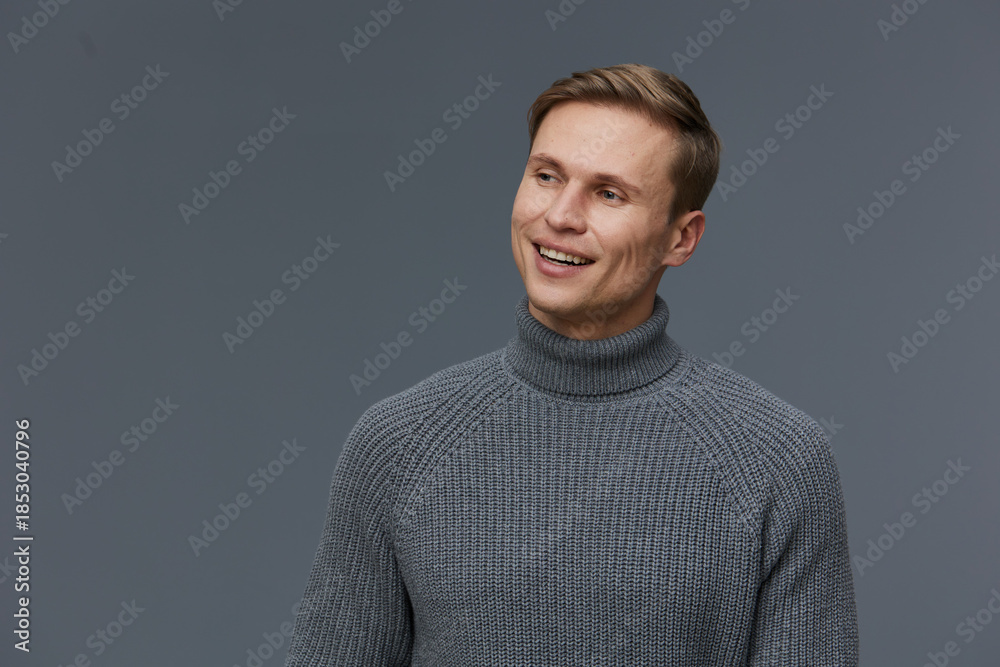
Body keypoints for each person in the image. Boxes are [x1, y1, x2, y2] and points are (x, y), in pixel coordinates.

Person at [283, 63, 859, 665]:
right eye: (546, 176)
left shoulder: (777, 460)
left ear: (681, 239)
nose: (560, 215)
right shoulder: (397, 445)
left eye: (609, 193)